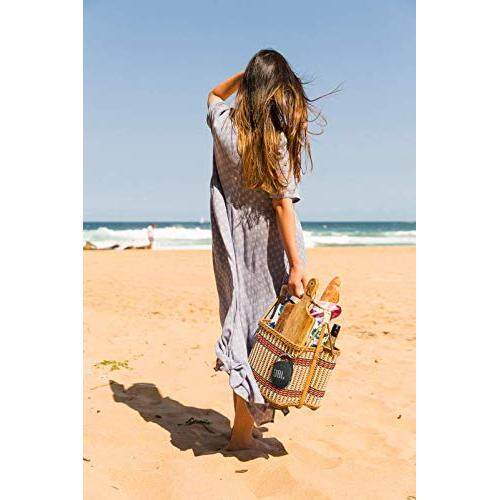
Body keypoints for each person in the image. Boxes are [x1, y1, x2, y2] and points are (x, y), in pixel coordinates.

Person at [207, 49, 328, 451]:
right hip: (270, 249)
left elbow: (213, 94)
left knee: (242, 331)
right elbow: (282, 206)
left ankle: (243, 427)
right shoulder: (272, 141)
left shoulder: (224, 126)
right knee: (267, 341)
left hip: (230, 249)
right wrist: (296, 265)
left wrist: (244, 76)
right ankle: (242, 434)